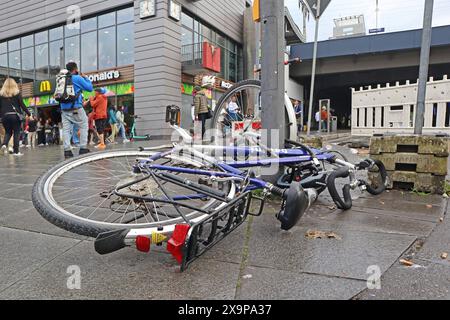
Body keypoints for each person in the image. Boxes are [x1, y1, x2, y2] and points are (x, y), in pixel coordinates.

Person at [61, 62, 93, 159]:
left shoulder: (62, 79)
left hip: (64, 109)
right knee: (84, 125)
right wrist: (85, 78)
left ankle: (67, 150)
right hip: (76, 108)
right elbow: (90, 88)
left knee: (66, 130)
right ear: (76, 69)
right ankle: (83, 148)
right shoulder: (77, 78)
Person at [0, 78, 31, 156]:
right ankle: (16, 151)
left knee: (8, 132)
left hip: (5, 117)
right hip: (15, 116)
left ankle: (4, 144)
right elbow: (22, 105)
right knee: (16, 133)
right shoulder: (17, 93)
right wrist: (29, 114)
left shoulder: (1, 95)